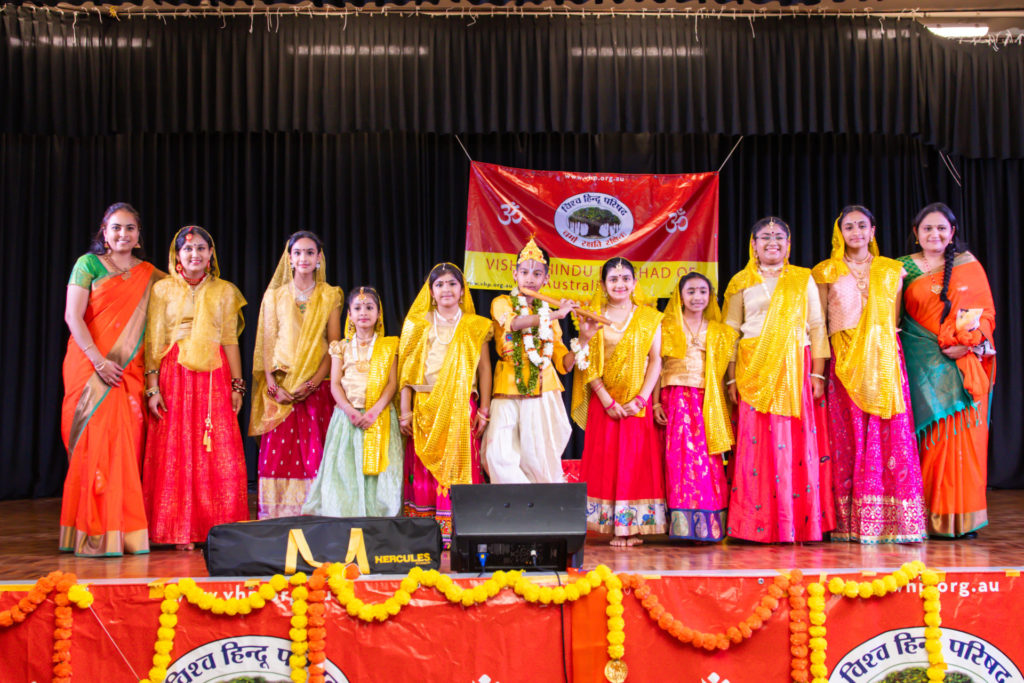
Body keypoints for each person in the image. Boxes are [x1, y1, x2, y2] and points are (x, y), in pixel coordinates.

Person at [812, 207, 926, 543]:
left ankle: (895, 522)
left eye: (862, 226)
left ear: (873, 230)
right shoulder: (825, 271)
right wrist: (818, 372)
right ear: (840, 232)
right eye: (849, 227)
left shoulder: (892, 270)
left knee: (888, 437)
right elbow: (818, 326)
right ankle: (849, 522)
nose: (856, 232)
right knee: (847, 438)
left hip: (884, 361)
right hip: (843, 363)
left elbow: (893, 323)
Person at [60, 202, 162, 556]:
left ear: (138, 236)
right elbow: (73, 317)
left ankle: (124, 531)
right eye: (116, 228)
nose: (122, 234)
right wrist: (99, 361)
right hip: (90, 366)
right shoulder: (86, 265)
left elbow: (181, 301)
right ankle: (90, 531)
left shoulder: (150, 275)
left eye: (129, 228)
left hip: (128, 372)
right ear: (104, 232)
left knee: (124, 447)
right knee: (94, 447)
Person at [723, 217, 831, 543]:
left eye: (779, 236)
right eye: (764, 237)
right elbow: (729, 333)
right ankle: (751, 526)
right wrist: (729, 380)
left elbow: (817, 326)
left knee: (792, 443)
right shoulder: (740, 281)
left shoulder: (802, 278)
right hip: (751, 367)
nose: (772, 242)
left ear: (789, 244)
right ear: (753, 245)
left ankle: (795, 523)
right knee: (754, 446)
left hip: (793, 367)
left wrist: (817, 372)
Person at [142, 226, 249, 549]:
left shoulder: (225, 291)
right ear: (177, 255)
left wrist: (237, 385)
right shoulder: (162, 290)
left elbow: (230, 340)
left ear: (211, 254)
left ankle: (217, 528)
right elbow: (154, 340)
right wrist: (151, 387)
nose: (195, 254)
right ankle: (178, 530)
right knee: (175, 449)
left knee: (216, 448)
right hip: (173, 373)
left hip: (214, 374)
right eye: (188, 249)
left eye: (202, 248)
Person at [897, 203, 996, 538]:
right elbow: (891, 317)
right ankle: (923, 518)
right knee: (926, 441)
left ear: (952, 232)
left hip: (961, 364)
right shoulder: (901, 268)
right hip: (918, 366)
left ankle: (960, 520)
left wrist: (967, 343)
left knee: (960, 443)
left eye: (941, 228)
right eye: (927, 229)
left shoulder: (969, 266)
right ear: (916, 233)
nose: (934, 234)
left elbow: (986, 316)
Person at [481, 238, 597, 484]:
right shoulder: (501, 302)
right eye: (524, 272)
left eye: (536, 273)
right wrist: (555, 314)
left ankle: (542, 511)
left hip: (545, 391)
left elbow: (564, 364)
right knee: (498, 453)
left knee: (540, 458)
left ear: (546, 279)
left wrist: (584, 338)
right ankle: (516, 509)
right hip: (507, 388)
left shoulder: (549, 314)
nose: (529, 278)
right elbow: (513, 323)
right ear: (514, 274)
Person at [571, 257, 665, 546]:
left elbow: (656, 360)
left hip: (638, 403)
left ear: (635, 283)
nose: (620, 284)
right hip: (605, 403)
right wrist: (605, 398)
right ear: (603, 284)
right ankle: (612, 527)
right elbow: (585, 359)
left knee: (636, 461)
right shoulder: (592, 316)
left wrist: (642, 399)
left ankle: (633, 528)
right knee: (607, 459)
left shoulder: (650, 317)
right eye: (613, 279)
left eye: (626, 278)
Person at [250, 232, 343, 519]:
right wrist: (271, 384)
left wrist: (314, 382)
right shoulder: (274, 296)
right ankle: (278, 516)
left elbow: (334, 345)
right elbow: (265, 344)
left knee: (316, 454)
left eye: (310, 253)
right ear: (289, 258)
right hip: (280, 389)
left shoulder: (330, 295)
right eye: (298, 253)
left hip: (318, 387)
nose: (303, 258)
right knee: (278, 456)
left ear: (318, 259)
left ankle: (316, 513)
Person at [398, 263, 492, 544]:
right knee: (425, 469)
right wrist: (405, 411)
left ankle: (459, 529)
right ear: (431, 292)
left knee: (460, 465)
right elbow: (406, 370)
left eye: (452, 283)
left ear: (462, 291)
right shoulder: (418, 324)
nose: (446, 289)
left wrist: (485, 410)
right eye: (439, 285)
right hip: (425, 406)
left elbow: (485, 369)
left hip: (462, 407)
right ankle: (425, 531)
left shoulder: (476, 325)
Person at [303, 287, 403, 517]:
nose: (363, 312)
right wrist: (350, 411)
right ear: (349, 313)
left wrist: (373, 412)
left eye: (369, 307)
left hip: (379, 418)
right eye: (357, 308)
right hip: (347, 419)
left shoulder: (389, 346)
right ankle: (345, 515)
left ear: (379, 314)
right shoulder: (341, 347)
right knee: (345, 470)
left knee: (380, 472)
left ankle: (380, 517)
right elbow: (335, 384)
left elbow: (392, 384)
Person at [653, 272, 738, 542]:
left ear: (710, 295)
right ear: (680, 295)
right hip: (674, 398)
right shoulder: (665, 327)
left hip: (706, 401)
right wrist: (655, 402)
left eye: (703, 291)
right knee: (677, 459)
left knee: (707, 460)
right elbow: (656, 367)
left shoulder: (720, 331)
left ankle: (709, 524)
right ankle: (681, 526)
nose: (697, 297)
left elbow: (726, 374)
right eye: (690, 291)